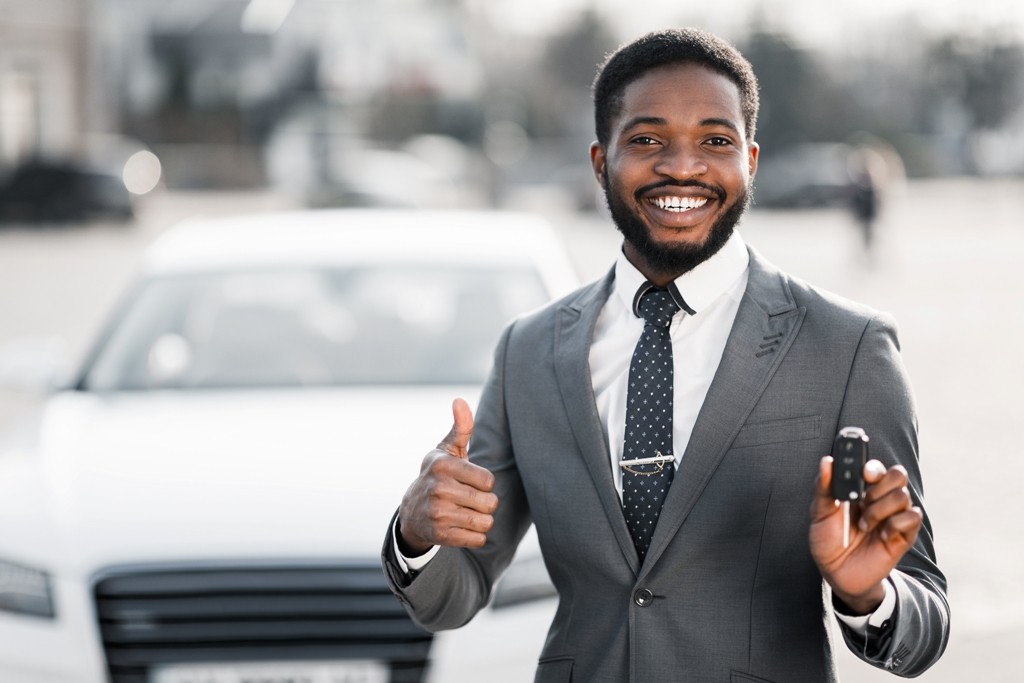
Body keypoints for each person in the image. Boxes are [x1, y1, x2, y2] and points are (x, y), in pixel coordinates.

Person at [381, 28, 949, 682]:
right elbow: (457, 592)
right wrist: (418, 535)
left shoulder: (847, 345)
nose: (683, 166)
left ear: (751, 161)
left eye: (715, 140)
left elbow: (924, 613)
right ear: (601, 161)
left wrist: (867, 594)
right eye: (648, 139)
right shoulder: (528, 352)